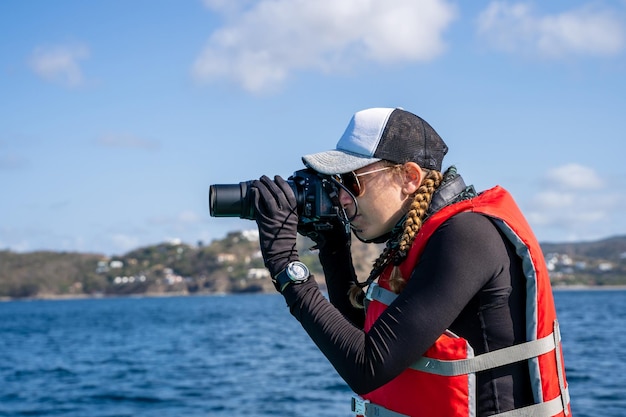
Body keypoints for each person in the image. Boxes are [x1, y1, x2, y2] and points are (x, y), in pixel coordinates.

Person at [249, 107, 571, 417]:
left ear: (409, 177)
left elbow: (367, 366)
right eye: (337, 186)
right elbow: (363, 333)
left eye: (351, 182)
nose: (342, 198)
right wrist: (333, 249)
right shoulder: (424, 237)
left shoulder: (467, 236)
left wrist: (285, 265)